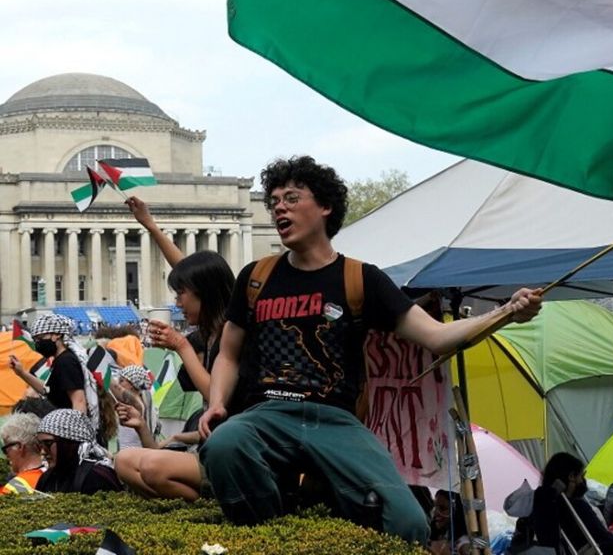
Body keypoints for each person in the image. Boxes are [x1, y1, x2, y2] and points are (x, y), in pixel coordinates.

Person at [198, 156, 542, 544]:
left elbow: (437, 337)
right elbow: (228, 353)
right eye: (274, 200)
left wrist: (507, 313)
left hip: (335, 421)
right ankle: (273, 538)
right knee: (224, 445)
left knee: (408, 523)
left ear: (325, 207)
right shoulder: (256, 277)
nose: (279, 206)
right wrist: (216, 402)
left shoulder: (360, 278)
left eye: (291, 198)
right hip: (267, 413)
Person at [115, 201, 233, 501]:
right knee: (123, 461)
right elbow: (189, 272)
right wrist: (151, 226)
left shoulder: (233, 334)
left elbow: (218, 398)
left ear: (203, 294)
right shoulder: (204, 334)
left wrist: (180, 346)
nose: (177, 302)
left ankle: (211, 502)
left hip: (231, 448)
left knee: (154, 467)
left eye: (181, 294)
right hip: (203, 441)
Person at [9, 314, 100, 436]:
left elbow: (79, 401)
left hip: (72, 431)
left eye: (41, 338)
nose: (38, 343)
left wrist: (76, 436)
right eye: (36, 340)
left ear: (57, 335)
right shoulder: (60, 360)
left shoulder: (66, 362)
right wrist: (21, 373)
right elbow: (48, 389)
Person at [36, 409, 122, 494]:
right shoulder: (47, 478)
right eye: (40, 445)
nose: (43, 452)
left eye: (48, 443)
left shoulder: (96, 476)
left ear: (69, 443)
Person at [112, 365, 161, 450]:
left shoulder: (135, 403)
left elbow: (113, 387)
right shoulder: (144, 399)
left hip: (132, 454)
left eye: (121, 381)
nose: (119, 384)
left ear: (132, 384)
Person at [0, 413, 46, 495]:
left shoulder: (15, 487)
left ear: (19, 447)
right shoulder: (53, 474)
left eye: (5, 449)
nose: (6, 455)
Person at [429, 489, 470, 555]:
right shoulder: (439, 534)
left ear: (456, 512)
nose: (436, 512)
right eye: (435, 507)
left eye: (442, 508)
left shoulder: (463, 542)